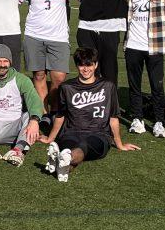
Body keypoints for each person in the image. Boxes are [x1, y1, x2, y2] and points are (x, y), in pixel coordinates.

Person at [41, 47, 140, 183]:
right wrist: (50, 139)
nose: (85, 69)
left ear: (96, 65)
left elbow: (113, 117)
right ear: (76, 66)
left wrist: (119, 144)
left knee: (83, 146)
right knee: (71, 149)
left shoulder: (108, 86)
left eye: (89, 65)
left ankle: (62, 159)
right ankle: (64, 164)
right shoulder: (66, 87)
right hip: (71, 133)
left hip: (99, 134)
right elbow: (60, 115)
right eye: (82, 65)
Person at [21, 0, 81, 118]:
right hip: (33, 36)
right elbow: (14, 1)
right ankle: (44, 113)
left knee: (59, 77)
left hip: (59, 37)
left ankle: (55, 109)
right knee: (39, 75)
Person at [123, 0, 165, 138]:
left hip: (155, 45)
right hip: (133, 45)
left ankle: (159, 122)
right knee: (134, 85)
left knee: (156, 86)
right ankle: (137, 119)